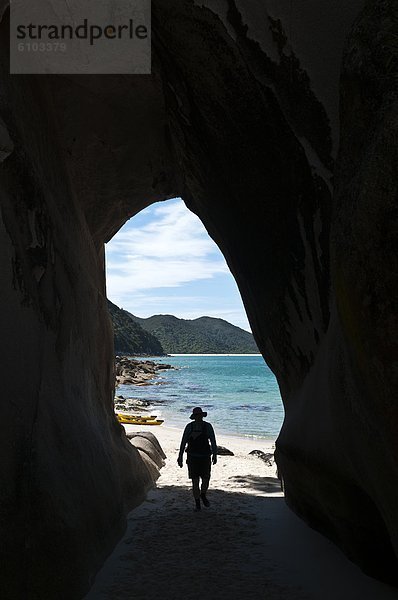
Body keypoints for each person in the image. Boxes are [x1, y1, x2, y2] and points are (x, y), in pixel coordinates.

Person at [177, 407, 217, 511]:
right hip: (192, 457)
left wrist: (215, 455)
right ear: (194, 417)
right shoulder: (189, 427)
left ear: (202, 416)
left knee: (206, 479)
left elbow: (213, 441)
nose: (199, 417)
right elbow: (183, 442)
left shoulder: (208, 426)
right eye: (197, 415)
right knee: (195, 482)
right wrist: (180, 456)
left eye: (200, 415)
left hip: (205, 457)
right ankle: (197, 504)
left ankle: (203, 494)